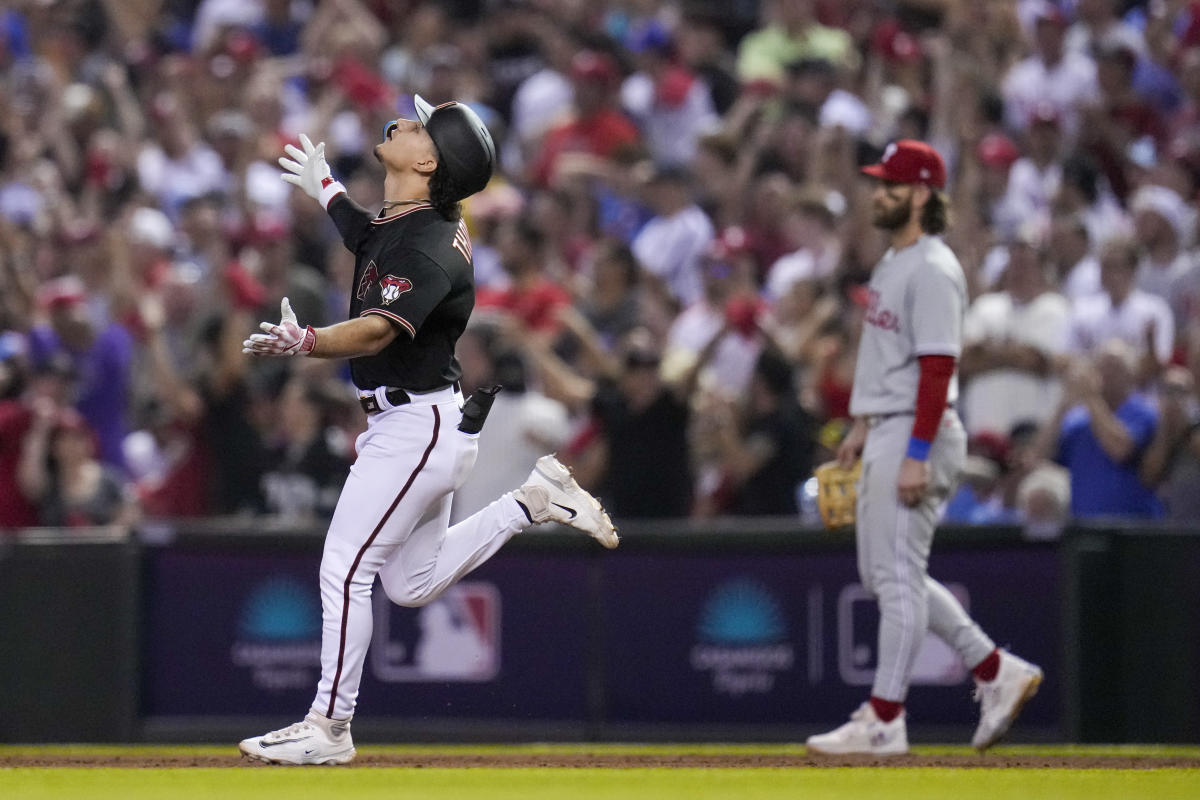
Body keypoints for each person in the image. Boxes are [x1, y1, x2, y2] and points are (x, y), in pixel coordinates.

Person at [237, 97, 617, 766]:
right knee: (409, 583)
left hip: (417, 425)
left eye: (419, 127)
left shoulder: (433, 241)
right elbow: (369, 239)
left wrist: (309, 340)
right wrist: (327, 190)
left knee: (345, 566)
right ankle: (533, 500)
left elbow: (380, 327)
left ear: (426, 161)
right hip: (418, 419)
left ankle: (329, 724)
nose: (404, 123)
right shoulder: (413, 220)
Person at [806, 141, 1043, 757]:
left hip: (920, 428)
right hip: (891, 423)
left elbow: (939, 369)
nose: (877, 193)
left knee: (893, 577)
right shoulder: (895, 262)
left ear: (920, 195)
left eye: (889, 184)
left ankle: (885, 718)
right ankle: (993, 669)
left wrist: (915, 451)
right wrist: (861, 426)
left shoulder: (934, 268)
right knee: (886, 575)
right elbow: (891, 359)